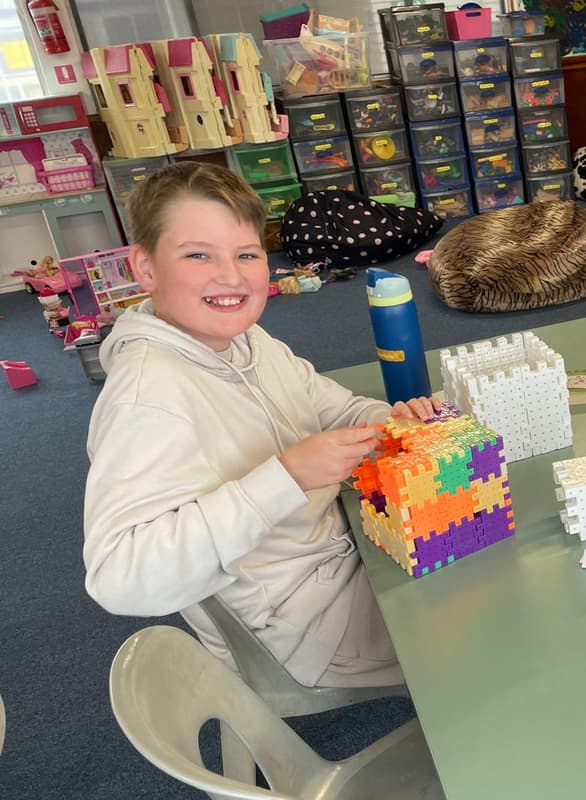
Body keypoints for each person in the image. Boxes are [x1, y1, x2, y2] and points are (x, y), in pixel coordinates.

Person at [83, 162, 435, 687]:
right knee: (497, 624)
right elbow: (120, 576)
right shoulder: (147, 401)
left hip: (347, 553)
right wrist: (285, 478)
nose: (231, 277)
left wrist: (392, 421)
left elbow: (333, 408)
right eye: (198, 255)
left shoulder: (246, 339)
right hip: (303, 627)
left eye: (246, 254)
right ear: (146, 267)